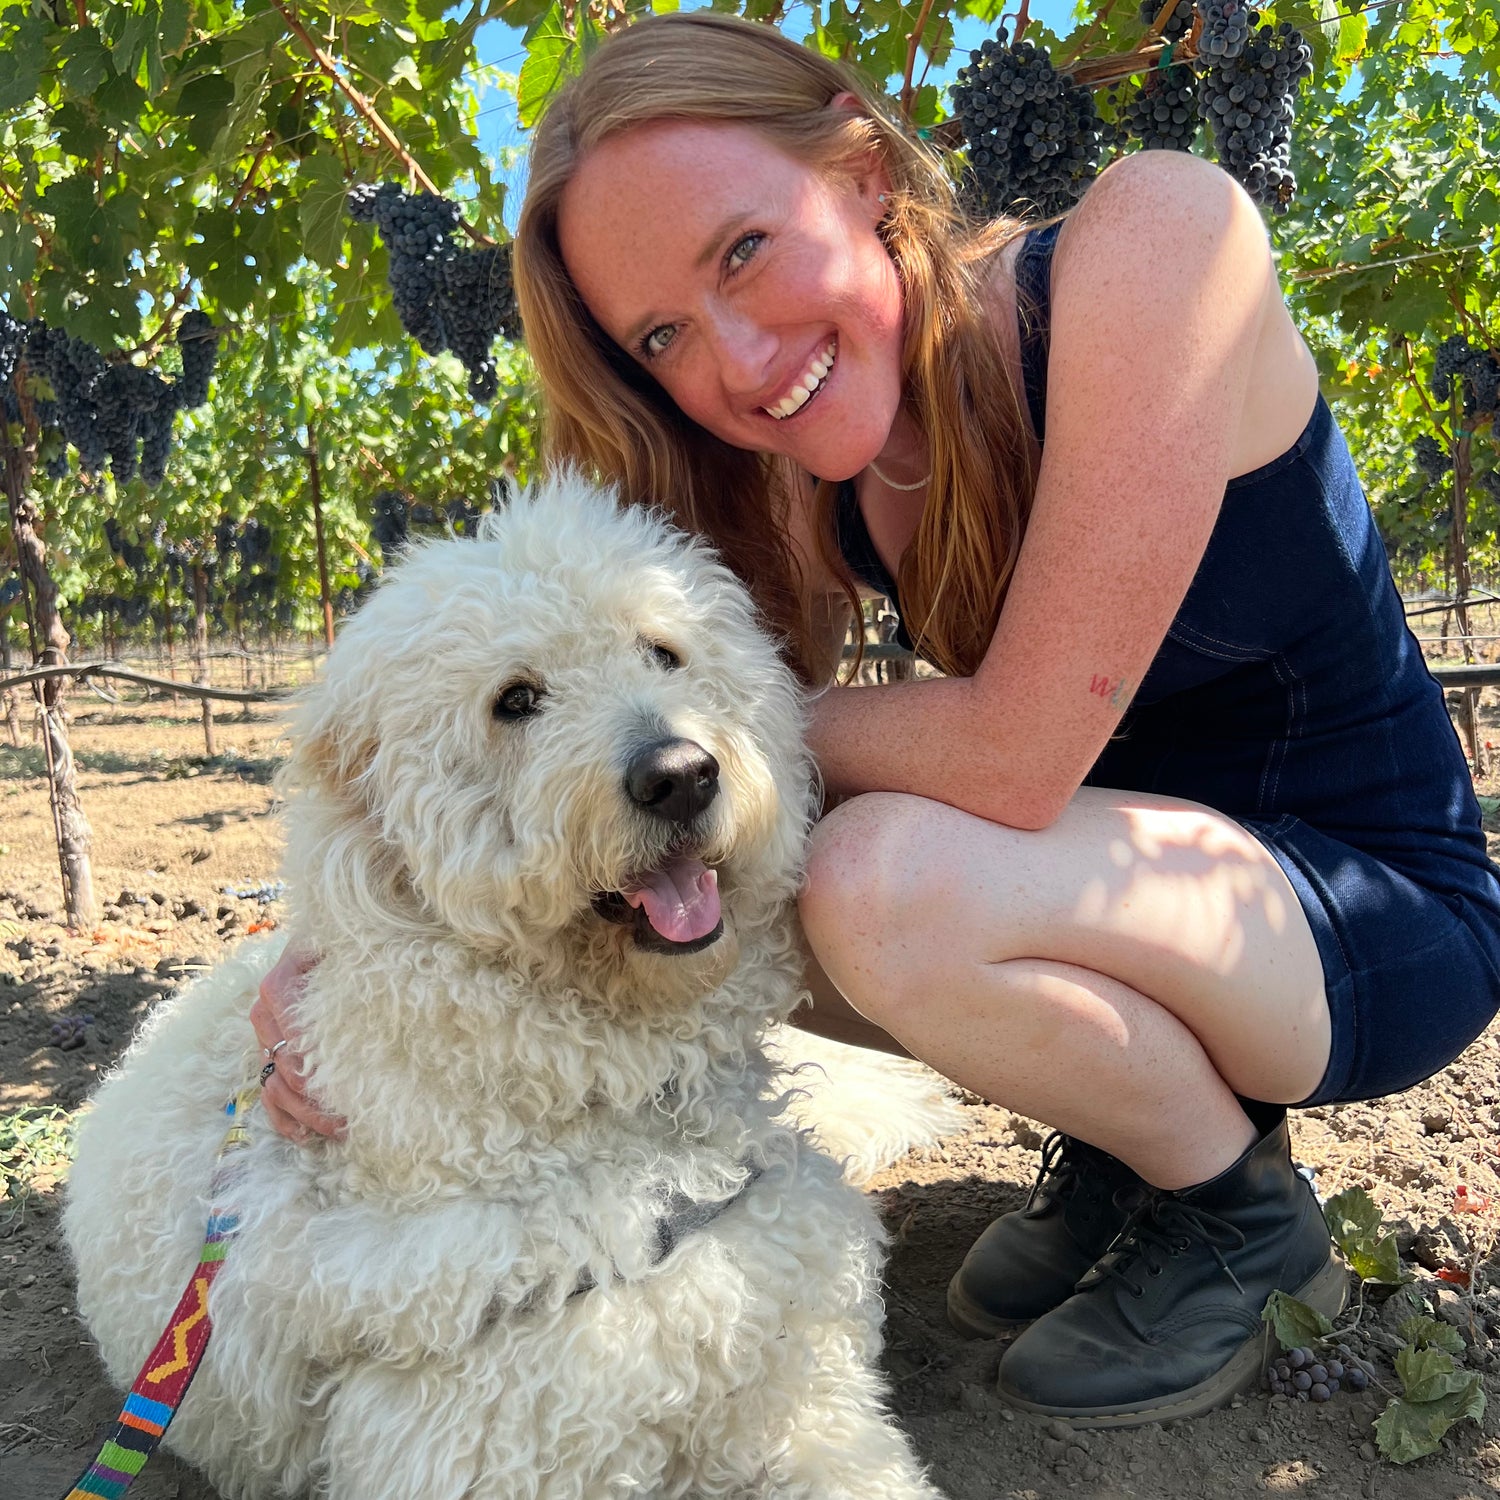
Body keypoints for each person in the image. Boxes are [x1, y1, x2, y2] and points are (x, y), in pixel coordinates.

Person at [252, 12, 1500, 1428]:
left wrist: (729, 728)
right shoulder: (796, 469)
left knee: (863, 873)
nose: (731, 355)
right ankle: (1130, 1134)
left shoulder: (1160, 243)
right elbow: (539, 732)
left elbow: (1019, 756)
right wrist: (340, 942)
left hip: (1369, 916)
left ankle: (1236, 1212)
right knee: (709, 885)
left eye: (744, 250)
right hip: (1139, 910)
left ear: (858, 170)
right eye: (663, 333)